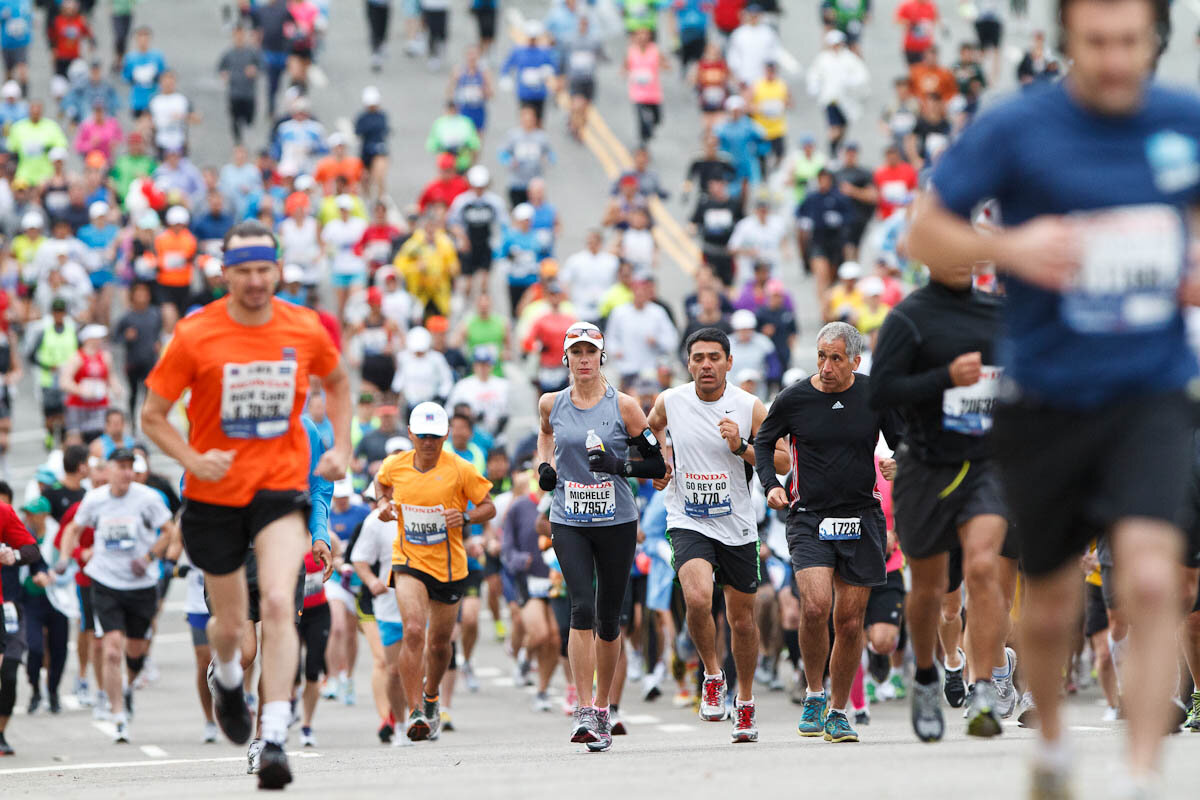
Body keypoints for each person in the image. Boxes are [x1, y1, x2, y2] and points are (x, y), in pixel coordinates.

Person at [905, 0, 1200, 791]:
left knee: (1148, 579)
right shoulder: (1017, 128)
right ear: (1067, 40)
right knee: (1049, 602)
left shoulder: (1184, 119)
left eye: (1131, 42)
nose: (1114, 59)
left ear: (1155, 40)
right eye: (1097, 42)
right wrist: (1009, 246)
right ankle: (1054, 746)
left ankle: (1143, 776)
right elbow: (923, 234)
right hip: (1046, 401)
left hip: (1150, 393)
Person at [140, 220, 348, 789]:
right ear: (224, 273)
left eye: (265, 270)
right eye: (244, 271)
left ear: (277, 270)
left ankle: (274, 735)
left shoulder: (303, 327)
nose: (256, 281)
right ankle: (226, 678)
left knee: (282, 602)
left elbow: (340, 384)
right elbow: (152, 416)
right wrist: (192, 458)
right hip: (213, 496)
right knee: (234, 631)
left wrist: (342, 448)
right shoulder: (194, 334)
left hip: (279, 491)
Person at [868, 250, 1015, 742]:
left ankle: (982, 687)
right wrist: (945, 379)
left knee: (982, 567)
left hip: (986, 464)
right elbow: (880, 393)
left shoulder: (996, 311)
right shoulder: (908, 318)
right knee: (930, 589)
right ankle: (929, 677)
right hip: (926, 466)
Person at [754, 322, 901, 745]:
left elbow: (902, 441)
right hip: (810, 518)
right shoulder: (794, 398)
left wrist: (898, 462)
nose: (827, 366)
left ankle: (839, 711)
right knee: (815, 606)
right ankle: (814, 693)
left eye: (836, 358)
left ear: (855, 360)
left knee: (850, 621)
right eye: (821, 356)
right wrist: (771, 485)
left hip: (861, 517)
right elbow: (764, 444)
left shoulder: (875, 393)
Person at [646, 327, 790, 743]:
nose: (705, 365)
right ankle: (712, 675)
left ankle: (744, 703)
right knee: (695, 597)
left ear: (729, 362)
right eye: (697, 358)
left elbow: (779, 459)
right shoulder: (671, 400)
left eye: (714, 357)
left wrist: (742, 446)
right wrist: (661, 462)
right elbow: (650, 426)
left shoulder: (749, 406)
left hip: (737, 524)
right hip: (687, 517)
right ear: (687, 363)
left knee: (741, 621)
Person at [536, 321, 666, 751]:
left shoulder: (625, 407)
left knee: (609, 619)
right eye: (577, 353)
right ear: (567, 359)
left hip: (616, 521)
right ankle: (584, 709)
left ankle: (605, 708)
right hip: (569, 518)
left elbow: (655, 465)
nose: (584, 360)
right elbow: (545, 434)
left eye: (591, 352)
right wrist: (544, 467)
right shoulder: (550, 403)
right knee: (581, 607)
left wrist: (616, 466)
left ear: (602, 357)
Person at [374, 401, 495, 741]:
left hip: (450, 566)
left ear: (444, 437)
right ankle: (415, 713)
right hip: (409, 560)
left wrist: (467, 517)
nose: (428, 443)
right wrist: (383, 505)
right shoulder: (394, 465)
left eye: (435, 437)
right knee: (413, 630)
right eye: (422, 436)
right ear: (410, 434)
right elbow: (379, 486)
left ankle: (431, 696)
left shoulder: (460, 468)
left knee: (440, 644)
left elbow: (489, 505)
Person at [56, 448, 176, 743]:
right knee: (110, 649)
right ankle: (118, 716)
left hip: (140, 584)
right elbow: (73, 528)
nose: (124, 472)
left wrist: (149, 558)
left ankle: (127, 687)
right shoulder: (96, 500)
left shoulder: (147, 498)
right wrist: (66, 557)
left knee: (135, 650)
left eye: (129, 467)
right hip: (105, 580)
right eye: (119, 466)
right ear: (108, 469)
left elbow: (169, 531)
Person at [58, 323, 120, 443]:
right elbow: (64, 381)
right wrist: (81, 391)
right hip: (78, 406)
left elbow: (110, 376)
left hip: (99, 404)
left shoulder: (105, 356)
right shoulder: (77, 357)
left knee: (101, 439)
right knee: (75, 440)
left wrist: (116, 387)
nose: (100, 341)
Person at [218, 24, 263, 146]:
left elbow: (261, 66)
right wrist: (224, 74)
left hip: (248, 93)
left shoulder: (252, 53)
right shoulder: (228, 53)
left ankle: (247, 139)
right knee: (235, 119)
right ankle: (238, 143)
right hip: (234, 92)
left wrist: (255, 71)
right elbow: (221, 67)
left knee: (249, 119)